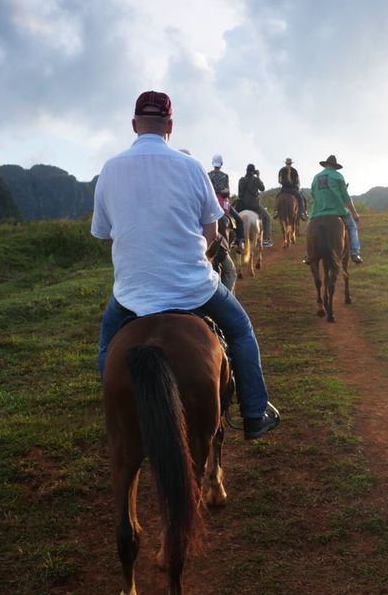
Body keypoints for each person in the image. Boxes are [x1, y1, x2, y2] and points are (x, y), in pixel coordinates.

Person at [91, 90, 280, 439]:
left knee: (106, 345)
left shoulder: (110, 169)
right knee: (240, 329)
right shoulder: (191, 167)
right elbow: (212, 230)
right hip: (192, 287)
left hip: (132, 291)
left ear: (134, 125)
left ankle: (115, 416)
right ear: (170, 126)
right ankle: (255, 412)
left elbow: (105, 236)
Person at [308, 154, 363, 265]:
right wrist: (354, 213)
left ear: (326, 165)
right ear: (335, 166)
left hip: (317, 212)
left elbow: (313, 195)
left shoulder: (315, 177)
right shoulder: (338, 176)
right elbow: (345, 197)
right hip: (337, 210)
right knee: (352, 226)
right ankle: (355, 252)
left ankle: (309, 254)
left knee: (309, 230)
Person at [235, 163, 273, 247]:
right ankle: (267, 240)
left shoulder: (241, 180)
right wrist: (258, 176)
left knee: (233, 219)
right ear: (253, 171)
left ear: (246, 171)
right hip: (254, 206)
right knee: (267, 219)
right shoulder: (255, 179)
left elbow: (239, 194)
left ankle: (235, 238)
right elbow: (262, 188)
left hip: (242, 206)